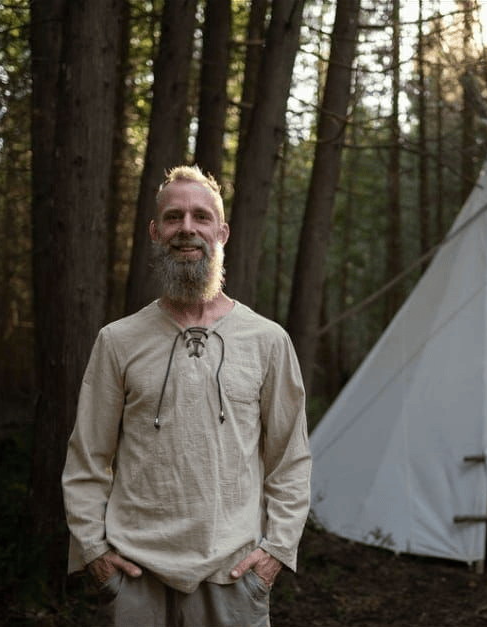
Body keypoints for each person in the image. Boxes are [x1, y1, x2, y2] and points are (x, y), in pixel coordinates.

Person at [62, 165, 312, 627]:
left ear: (222, 232)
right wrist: (94, 551)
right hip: (135, 577)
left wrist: (276, 552)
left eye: (201, 216)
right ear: (155, 232)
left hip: (233, 577)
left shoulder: (268, 341)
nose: (187, 228)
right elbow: (87, 458)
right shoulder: (117, 341)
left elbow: (290, 460)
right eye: (173, 217)